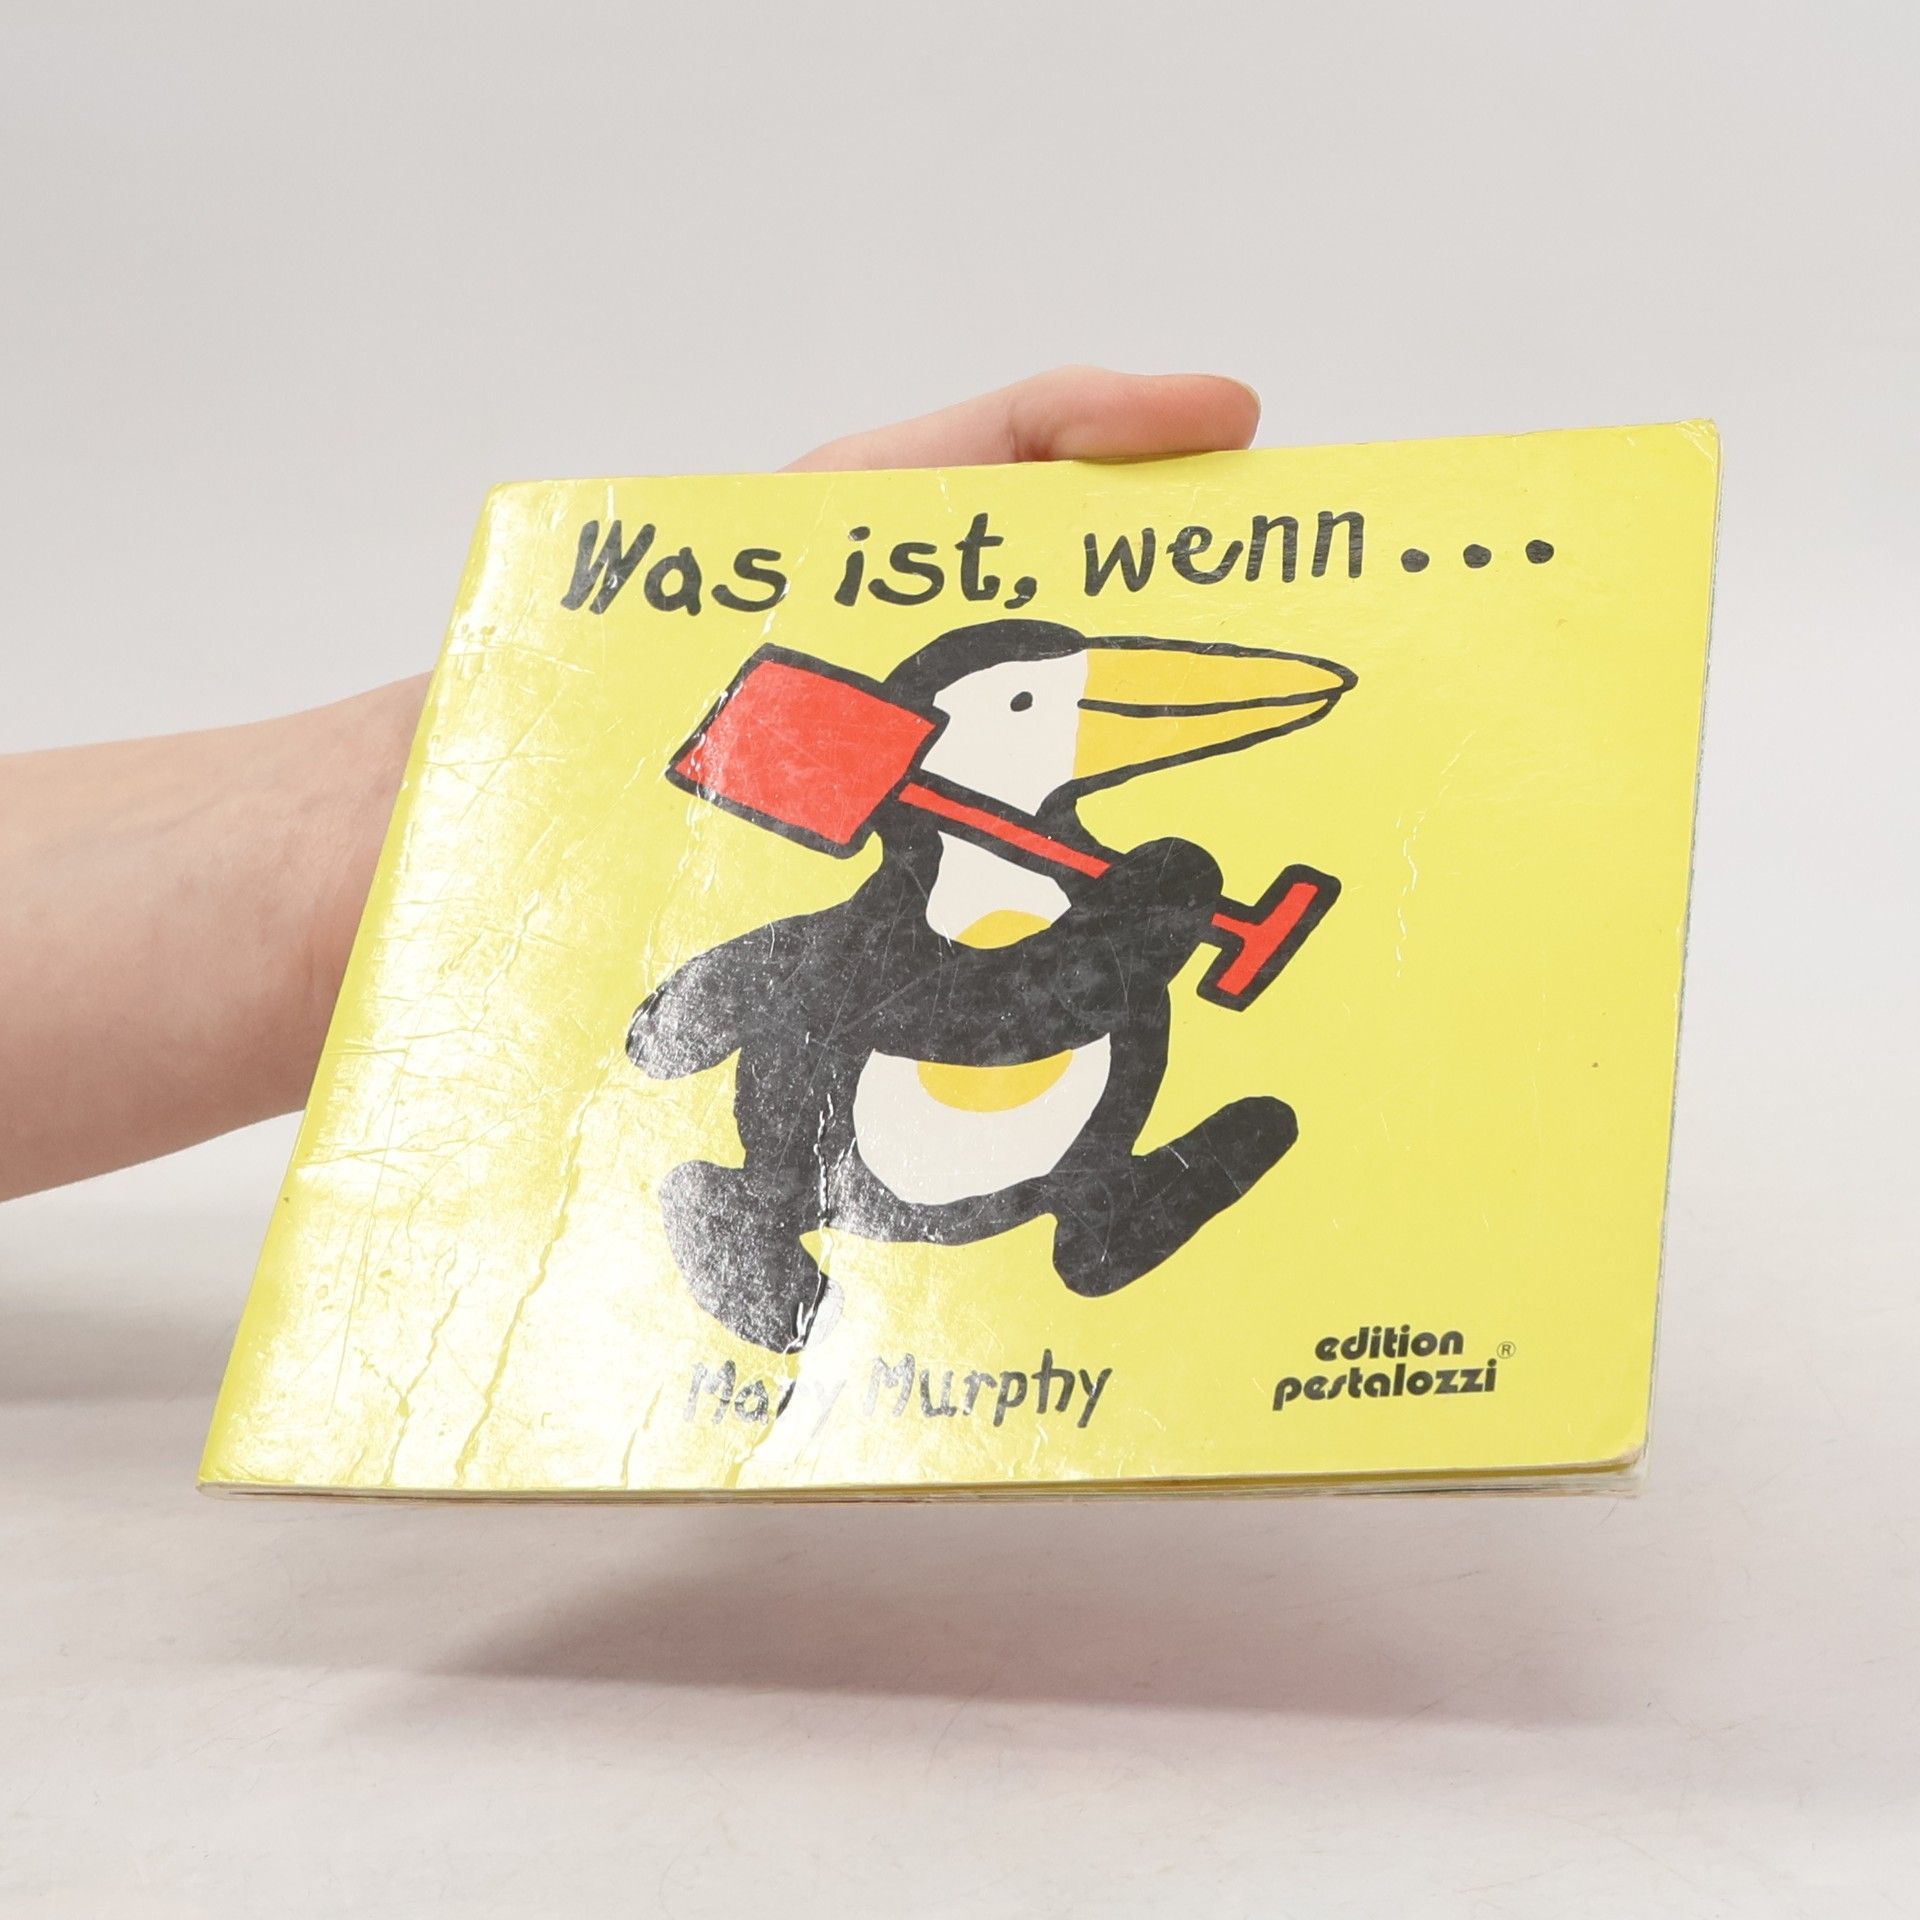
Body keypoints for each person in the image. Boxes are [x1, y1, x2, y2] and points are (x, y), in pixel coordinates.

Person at [0, 367, 1261, 1203]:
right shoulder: (997, 906)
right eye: (1033, 703)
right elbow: (892, 993)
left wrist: (437, 799)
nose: (1073, 720)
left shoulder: (1108, 893)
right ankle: (764, 1217)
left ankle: (1103, 1208)